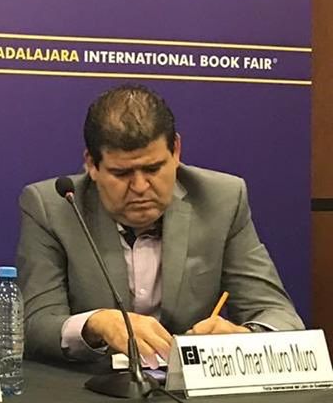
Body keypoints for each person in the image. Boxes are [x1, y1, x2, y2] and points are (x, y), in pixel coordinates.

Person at [17, 84, 303, 365]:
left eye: (153, 169)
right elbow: (35, 325)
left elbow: (278, 314)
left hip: (190, 383)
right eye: (121, 173)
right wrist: (96, 324)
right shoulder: (54, 206)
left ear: (176, 150)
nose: (140, 187)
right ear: (92, 164)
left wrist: (244, 336)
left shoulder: (222, 200)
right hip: (89, 385)